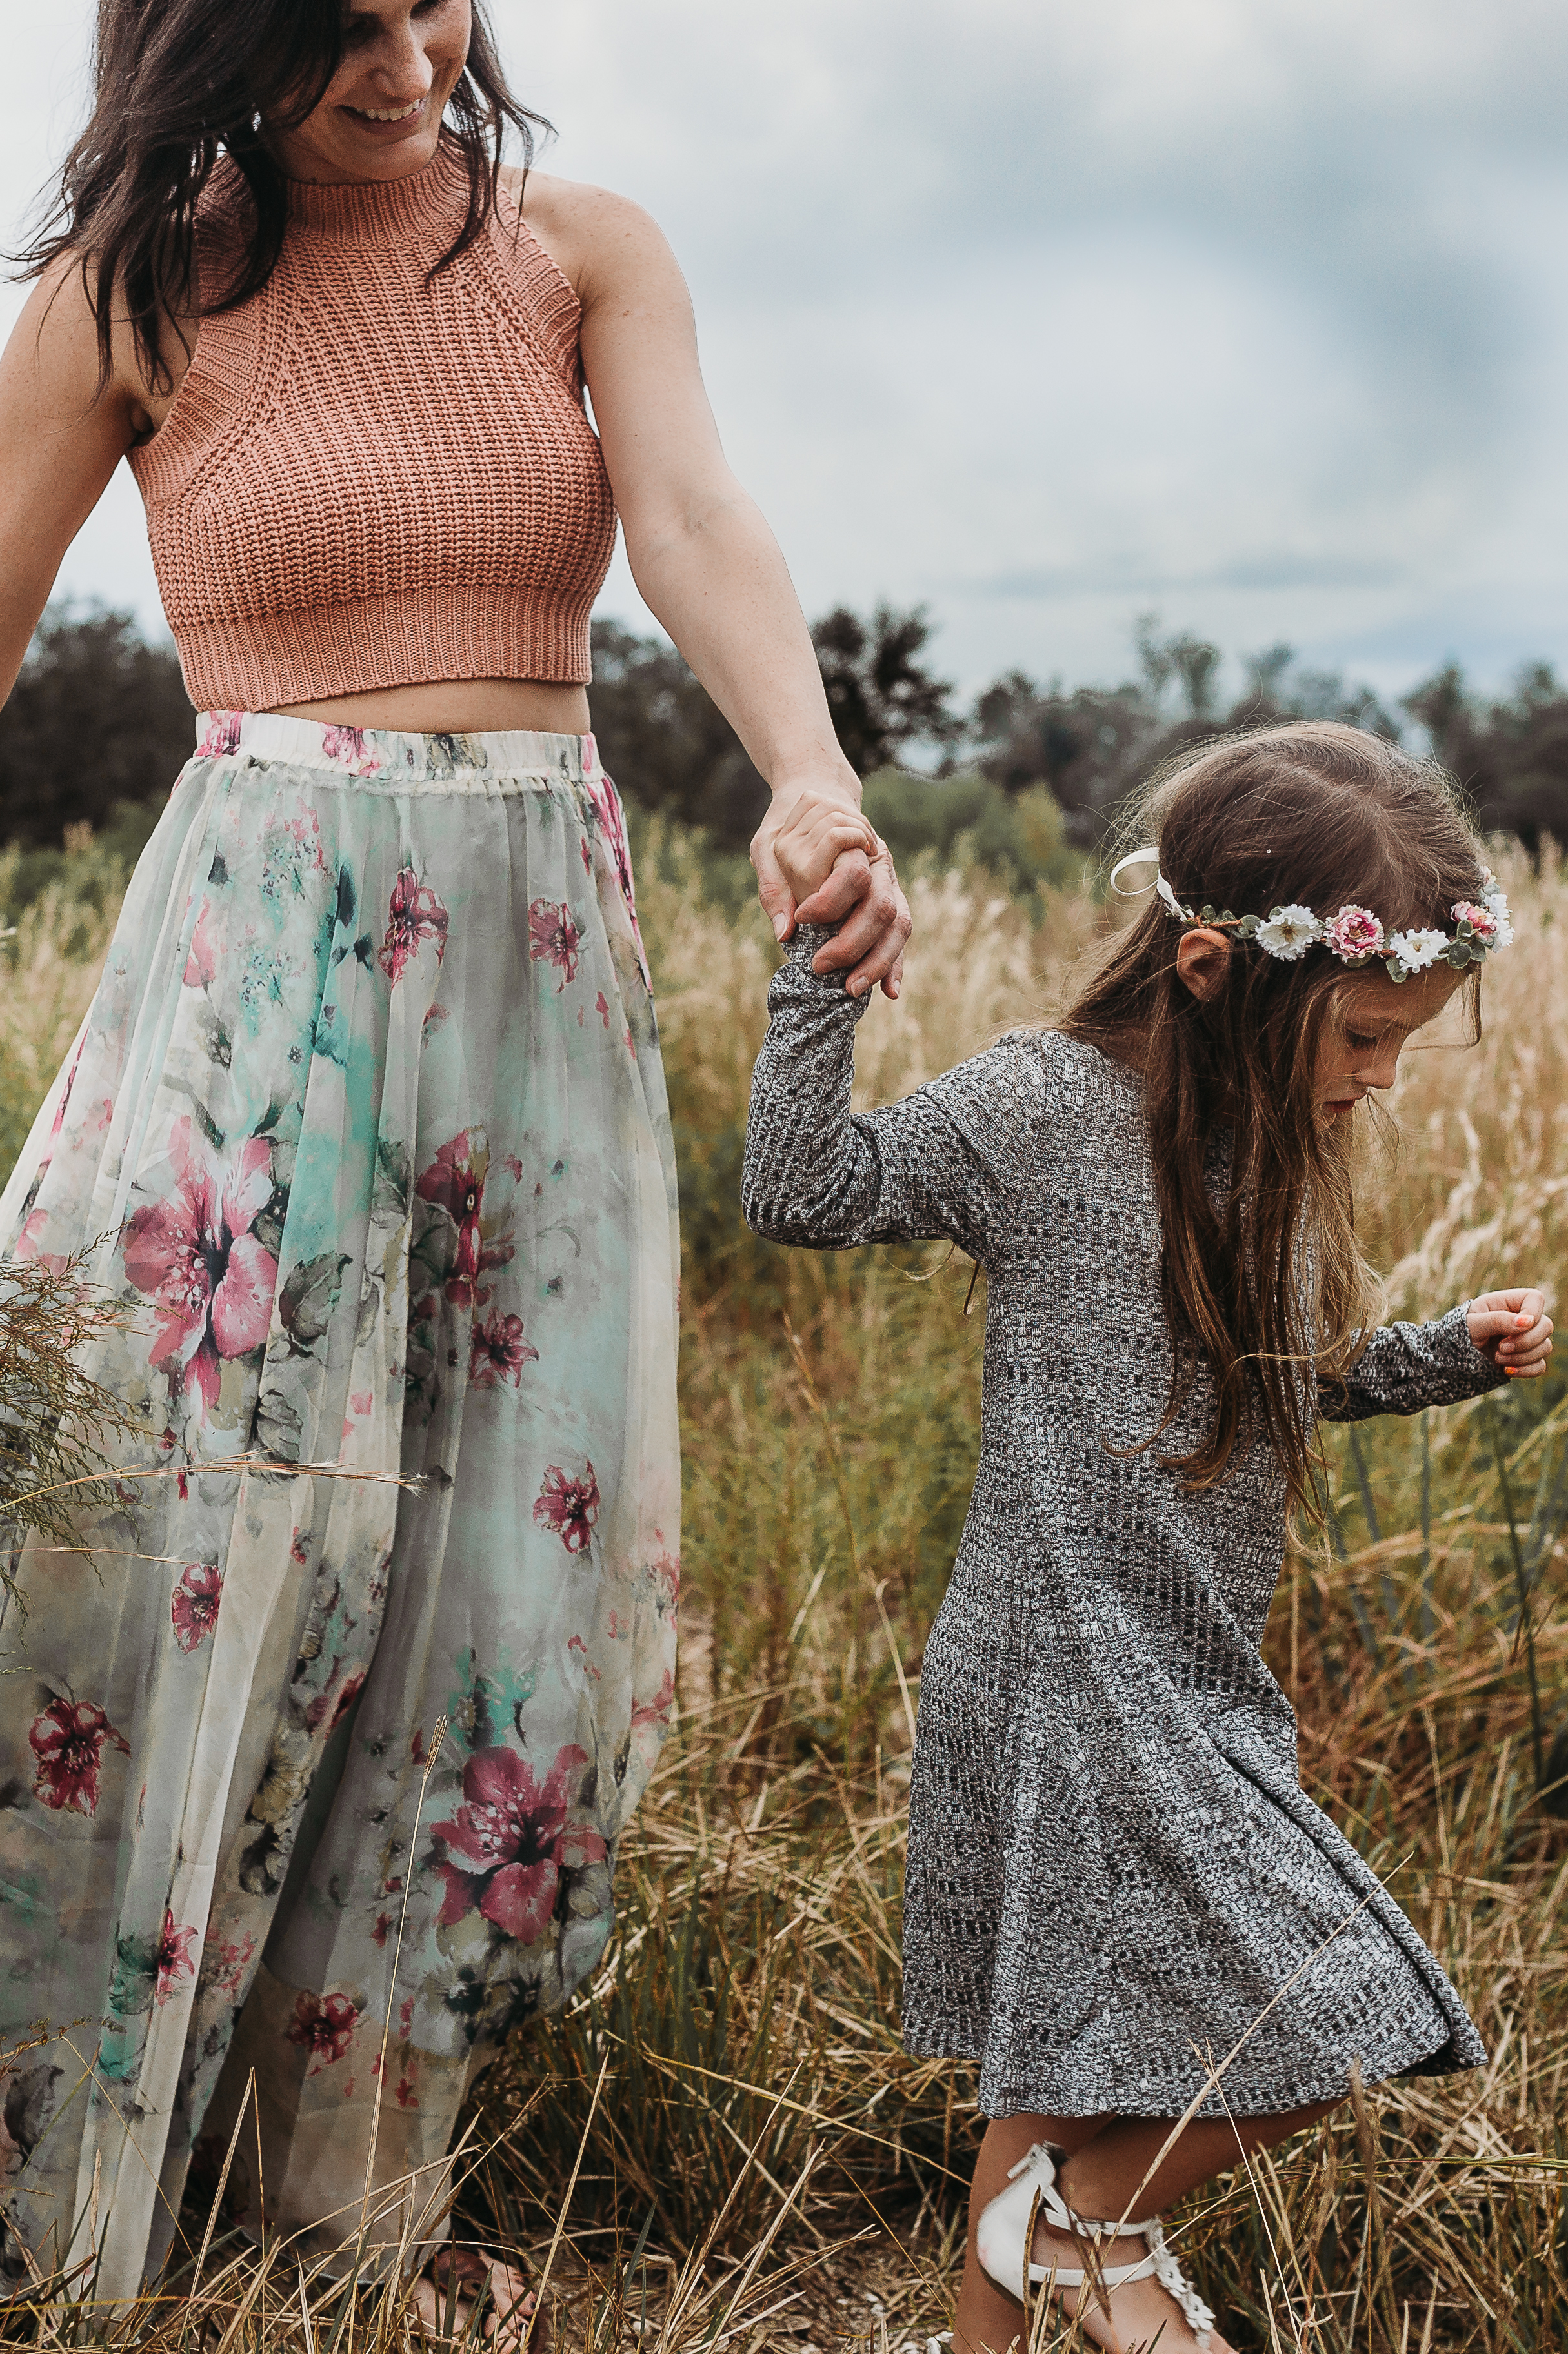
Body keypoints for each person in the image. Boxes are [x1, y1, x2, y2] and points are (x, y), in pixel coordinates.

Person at [0, 0, 910, 2317]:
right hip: (257, 967)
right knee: (176, 1537)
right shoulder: (126, 294)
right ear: (213, 36)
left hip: (540, 949)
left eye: (435, 0)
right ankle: (78, 2192)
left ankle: (348, 2210)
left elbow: (694, 513)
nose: (408, 56)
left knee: (492, 1571)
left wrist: (801, 764)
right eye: (340, 28)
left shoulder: (583, 251)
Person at [742, 720, 1552, 2354]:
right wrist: (822, 974)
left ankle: (1015, 2288)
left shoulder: (1270, 1146)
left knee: (1057, 2063)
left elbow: (1277, 1386)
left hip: (1188, 1662)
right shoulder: (1040, 1108)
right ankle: (1092, 2230)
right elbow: (804, 1187)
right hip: (1063, 1659)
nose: (1382, 1080)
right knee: (1342, 2009)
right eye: (1370, 1038)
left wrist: (1445, 1352)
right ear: (1206, 965)